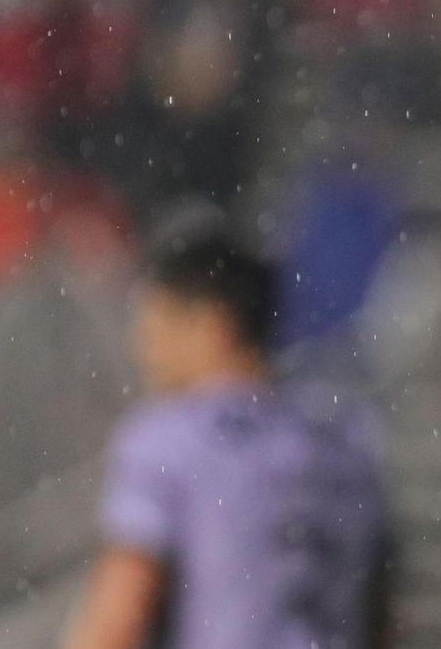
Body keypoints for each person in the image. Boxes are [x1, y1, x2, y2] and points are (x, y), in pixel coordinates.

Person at [63, 217, 391, 649]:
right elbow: (380, 613)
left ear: (211, 325)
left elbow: (116, 621)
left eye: (155, 326)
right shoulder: (346, 437)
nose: (143, 348)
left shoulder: (167, 440)